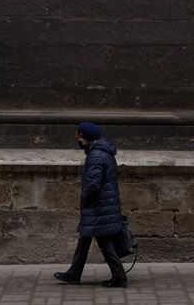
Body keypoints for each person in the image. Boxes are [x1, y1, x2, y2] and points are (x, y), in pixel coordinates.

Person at [53, 121, 128, 288]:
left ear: (84, 137)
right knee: (85, 238)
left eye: (79, 136)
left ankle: (119, 276)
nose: (77, 139)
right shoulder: (103, 152)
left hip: (98, 206)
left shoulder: (95, 156)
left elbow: (93, 184)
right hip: (102, 204)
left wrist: (85, 199)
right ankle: (74, 274)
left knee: (104, 241)